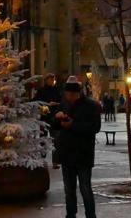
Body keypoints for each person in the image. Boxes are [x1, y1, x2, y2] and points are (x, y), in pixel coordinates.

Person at [54, 77, 101, 218]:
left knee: (85, 188)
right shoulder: (63, 104)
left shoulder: (91, 106)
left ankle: (90, 215)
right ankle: (70, 214)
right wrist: (57, 118)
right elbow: (54, 124)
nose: (70, 97)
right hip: (67, 154)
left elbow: (95, 127)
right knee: (69, 190)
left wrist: (73, 125)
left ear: (79, 93)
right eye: (67, 94)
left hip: (83, 154)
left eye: (72, 95)